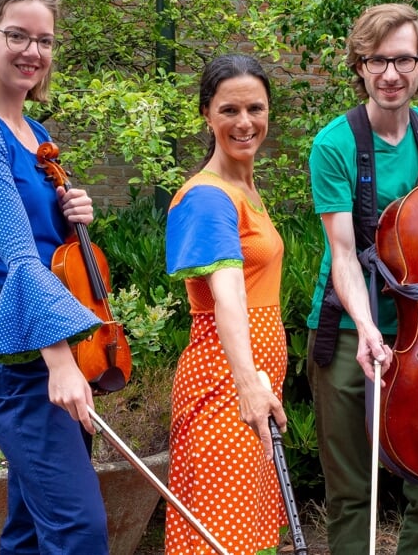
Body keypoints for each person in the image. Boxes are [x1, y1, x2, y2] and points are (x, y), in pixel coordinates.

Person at [305, 3, 418, 554]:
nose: (391, 74)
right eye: (377, 60)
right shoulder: (333, 144)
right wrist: (366, 328)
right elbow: (342, 253)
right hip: (349, 331)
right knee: (353, 492)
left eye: (404, 60)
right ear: (359, 65)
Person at [0, 0, 109, 555]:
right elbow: (17, 258)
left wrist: (75, 212)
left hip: (48, 325)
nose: (32, 52)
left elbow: (49, 247)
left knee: (34, 528)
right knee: (78, 529)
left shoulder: (34, 132)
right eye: (18, 36)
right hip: (18, 347)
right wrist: (60, 361)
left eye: (44, 41)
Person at [164, 53, 289, 555]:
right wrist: (248, 388)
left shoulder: (243, 188)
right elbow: (228, 298)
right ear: (206, 115)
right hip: (225, 390)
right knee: (222, 538)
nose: (244, 123)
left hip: (253, 387)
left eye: (255, 109)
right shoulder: (208, 198)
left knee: (251, 536)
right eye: (229, 110)